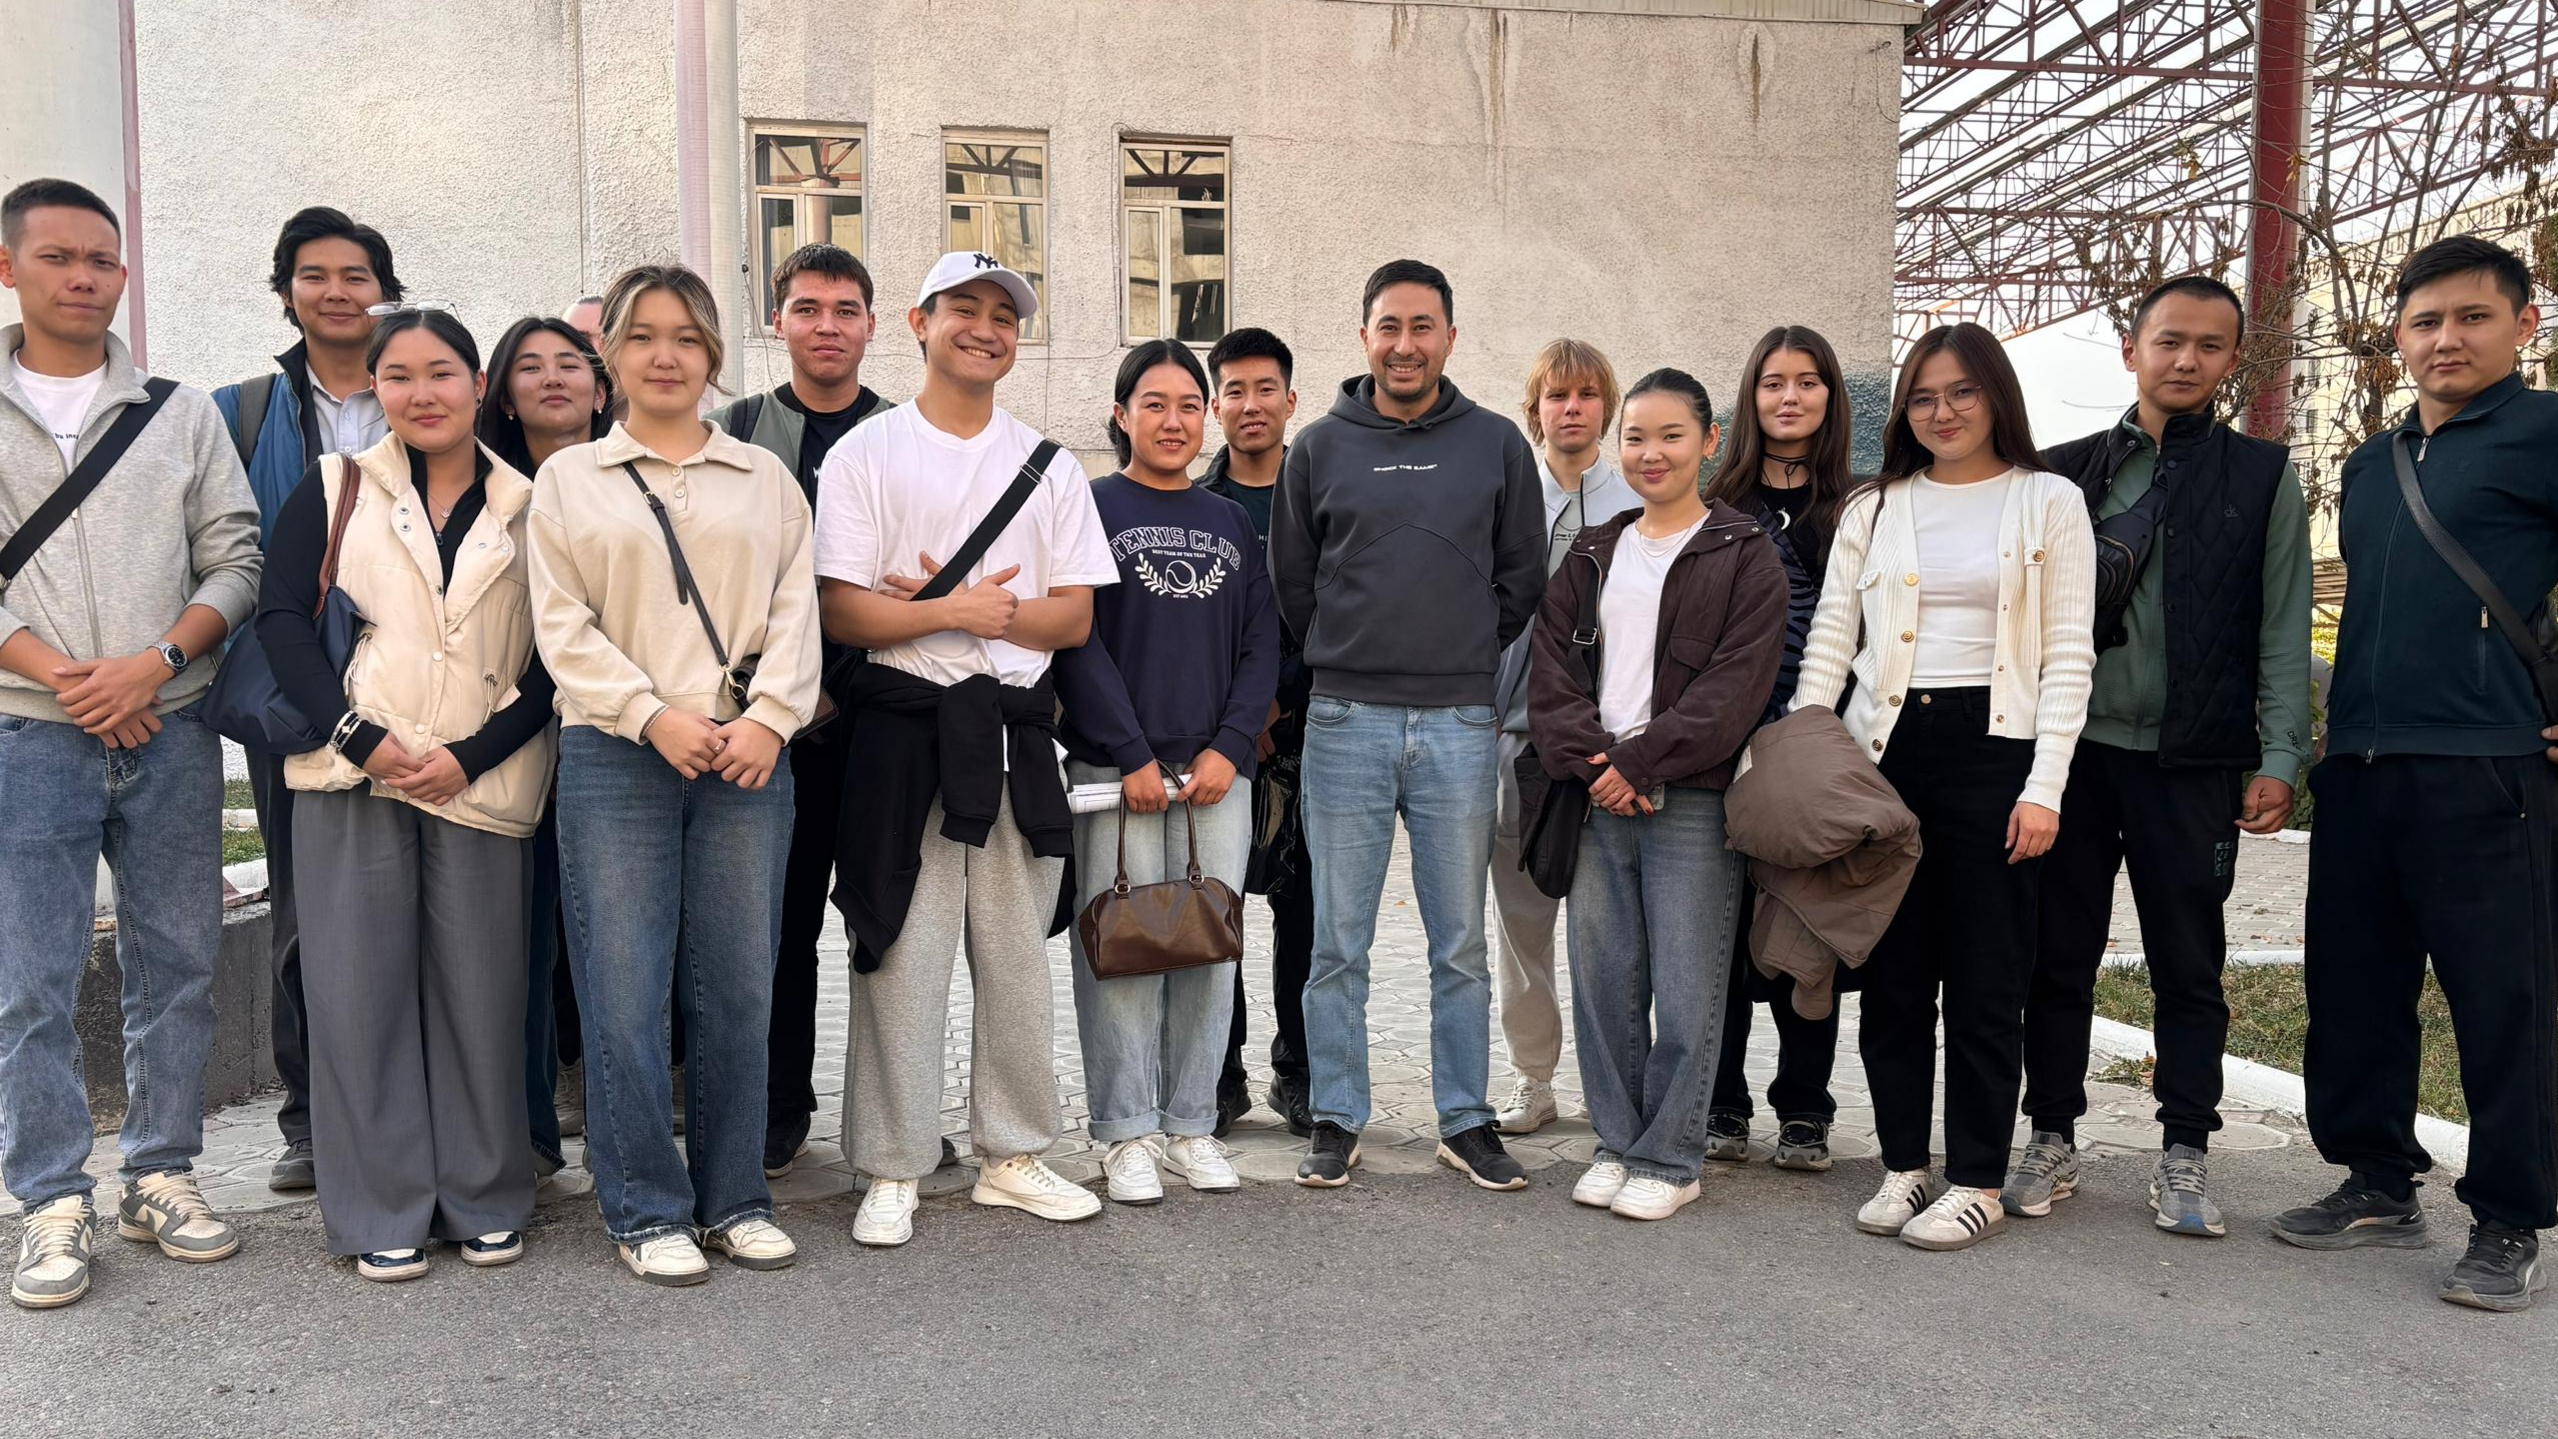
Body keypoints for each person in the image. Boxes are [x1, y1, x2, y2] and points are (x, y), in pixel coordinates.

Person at [2276, 235, 2558, 1313]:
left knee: (2503, 997)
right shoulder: (2370, 461)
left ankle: (2508, 1215)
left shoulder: (2544, 432)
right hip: (2359, 762)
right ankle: (2376, 1178)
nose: (2446, 339)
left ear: (2523, 324)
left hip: (2487, 765)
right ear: (2396, 336)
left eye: (2472, 317)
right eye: (2425, 321)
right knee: (2352, 985)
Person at [528, 263, 821, 1287]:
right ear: (610, 352)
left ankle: (735, 1195)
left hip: (747, 753)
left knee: (737, 986)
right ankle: (645, 1204)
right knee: (624, 988)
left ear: (713, 353)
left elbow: (797, 609)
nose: (666, 355)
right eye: (644, 335)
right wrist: (649, 715)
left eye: (687, 336)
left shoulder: (763, 477)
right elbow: (561, 625)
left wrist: (771, 719)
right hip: (617, 753)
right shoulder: (571, 479)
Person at [818, 252, 1115, 1248]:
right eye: (963, 309)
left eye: (1003, 315)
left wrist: (961, 612)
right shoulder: (865, 453)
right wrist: (955, 610)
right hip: (902, 733)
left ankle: (1013, 1152)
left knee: (1015, 956)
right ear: (919, 321)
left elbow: (1073, 616)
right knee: (897, 947)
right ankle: (891, 1161)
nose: (984, 328)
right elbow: (843, 609)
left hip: (1014, 737)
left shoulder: (1049, 464)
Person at [1, 178, 263, 1310]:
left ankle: (161, 1170)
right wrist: (74, 679)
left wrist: (149, 664)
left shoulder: (179, 412)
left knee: (179, 963)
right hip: (28, 731)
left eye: (101, 259)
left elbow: (236, 557)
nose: (84, 276)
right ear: (9, 267)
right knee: (31, 979)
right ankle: (50, 1194)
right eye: (59, 256)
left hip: (171, 724)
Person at [255, 308, 557, 1282]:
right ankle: (380, 1203)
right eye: (398, 375)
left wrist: (472, 753)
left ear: (478, 383)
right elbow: (280, 619)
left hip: (482, 779)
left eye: (440, 372)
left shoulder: (531, 503)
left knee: (482, 992)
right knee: (358, 995)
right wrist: (359, 737)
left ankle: (483, 1192)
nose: (421, 392)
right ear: (376, 388)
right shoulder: (335, 485)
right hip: (352, 775)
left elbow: (555, 657)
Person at [2015, 276, 2313, 1238]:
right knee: (2057, 955)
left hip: (2193, 761)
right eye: (2169, 340)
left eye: (2210, 345)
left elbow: (2281, 624)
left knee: (2190, 964)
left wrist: (2281, 754)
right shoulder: (2062, 473)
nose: (2187, 359)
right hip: (2072, 759)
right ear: (2132, 350)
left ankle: (2185, 1147)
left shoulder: (2262, 475)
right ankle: (2050, 1133)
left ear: (2235, 359)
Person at [1792, 320, 2096, 1252]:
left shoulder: (2049, 500)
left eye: (1962, 391)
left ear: (1996, 395)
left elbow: (2068, 653)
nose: (1943, 411)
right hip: (1884, 755)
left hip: (1997, 754)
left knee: (1985, 980)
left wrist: (2045, 786)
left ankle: (1977, 1178)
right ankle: (1901, 1164)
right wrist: (1805, 751)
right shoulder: (1875, 506)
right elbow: (1832, 638)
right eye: (1923, 397)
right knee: (1891, 976)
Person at [1272, 258, 1545, 1192]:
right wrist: (1353, 651)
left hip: (1460, 720)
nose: (1405, 344)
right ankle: (1336, 1114)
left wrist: (1458, 650)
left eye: (1422, 326)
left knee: (1458, 941)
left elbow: (1522, 577)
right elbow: (1293, 582)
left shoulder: (1497, 444)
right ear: (1364, 337)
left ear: (1450, 338)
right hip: (1344, 718)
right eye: (1389, 326)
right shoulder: (1318, 448)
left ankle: (1465, 1118)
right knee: (1337, 939)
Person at [1528, 368, 1787, 1220]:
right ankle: (1616, 1141)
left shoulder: (1744, 552)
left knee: (1686, 990)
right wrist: (1598, 764)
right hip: (1595, 797)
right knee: (1604, 984)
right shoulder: (1595, 550)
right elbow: (1552, 673)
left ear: (1708, 442)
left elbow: (1734, 691)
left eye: (1671, 435)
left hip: (1692, 803)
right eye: (1635, 436)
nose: (1651, 452)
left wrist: (1639, 764)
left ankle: (1672, 1157)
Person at [1054, 340, 1281, 1203]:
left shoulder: (1228, 521)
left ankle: (1190, 1123)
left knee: (1206, 950)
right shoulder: (1090, 505)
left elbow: (1260, 643)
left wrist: (1230, 746)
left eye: (1190, 404)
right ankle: (1124, 1131)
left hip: (1216, 777)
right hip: (1118, 775)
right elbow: (1077, 642)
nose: (1174, 420)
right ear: (1122, 415)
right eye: (1155, 403)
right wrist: (1131, 753)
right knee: (1121, 949)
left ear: (1206, 416)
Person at [210, 205, 404, 1194]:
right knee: (303, 906)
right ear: (286, 290)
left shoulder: (423, 388)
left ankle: (423, 1105)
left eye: (356, 274)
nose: (336, 291)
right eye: (314, 274)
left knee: (429, 896)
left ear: (386, 290)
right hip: (294, 696)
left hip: (422, 686)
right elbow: (217, 552)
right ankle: (313, 1118)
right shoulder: (239, 412)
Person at [706, 242, 890, 1179]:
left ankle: (893, 1117)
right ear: (776, 321)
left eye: (845, 309)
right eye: (808, 308)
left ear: (872, 324)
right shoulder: (735, 433)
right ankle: (779, 1107)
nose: (827, 325)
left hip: (886, 721)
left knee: (889, 928)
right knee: (776, 928)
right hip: (768, 726)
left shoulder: (904, 434)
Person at [1700, 325, 1860, 1172]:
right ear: (1751, 397)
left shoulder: (1861, 504)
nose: (1789, 397)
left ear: (1831, 396)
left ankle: (1805, 1107)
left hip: (1819, 749)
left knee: (1807, 927)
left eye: (1807, 382)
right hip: (1725, 752)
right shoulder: (1719, 503)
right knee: (1720, 934)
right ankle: (1720, 1102)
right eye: (1772, 382)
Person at [476, 315, 613, 1177]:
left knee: (616, 939)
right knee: (522, 940)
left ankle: (618, 1114)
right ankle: (528, 1128)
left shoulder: (631, 479)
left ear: (601, 388)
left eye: (571, 363)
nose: (552, 378)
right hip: (502, 734)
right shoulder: (480, 488)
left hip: (616, 726)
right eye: (529, 366)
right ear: (502, 392)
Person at [1489, 338, 1635, 1136]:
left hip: (1611, 746)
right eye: (1556, 394)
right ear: (1535, 407)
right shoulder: (1507, 498)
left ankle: (1621, 1089)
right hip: (1514, 741)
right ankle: (1533, 1078)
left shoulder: (1637, 499)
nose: (1571, 408)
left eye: (1585, 394)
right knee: (1522, 925)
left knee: (1613, 932)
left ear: (1605, 407)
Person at [1200, 325, 1312, 1135]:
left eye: (1264, 388)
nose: (1250, 404)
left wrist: (1280, 703)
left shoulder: (1322, 496)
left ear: (1290, 400)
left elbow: (1345, 609)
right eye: (1234, 390)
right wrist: (1241, 718)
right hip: (1221, 738)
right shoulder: (1200, 504)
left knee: (1307, 910)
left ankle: (1299, 1071)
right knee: (1218, 903)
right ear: (1216, 406)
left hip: (1310, 728)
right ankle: (1221, 1070)